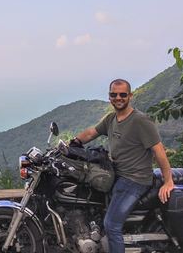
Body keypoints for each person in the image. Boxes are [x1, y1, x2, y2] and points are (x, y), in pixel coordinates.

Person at [72, 79, 174, 253]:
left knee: (111, 225)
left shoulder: (140, 121)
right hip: (118, 175)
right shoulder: (111, 119)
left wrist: (168, 181)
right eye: (114, 94)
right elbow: (91, 133)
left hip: (135, 179)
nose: (118, 97)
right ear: (109, 96)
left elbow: (159, 151)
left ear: (130, 96)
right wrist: (71, 144)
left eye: (122, 94)